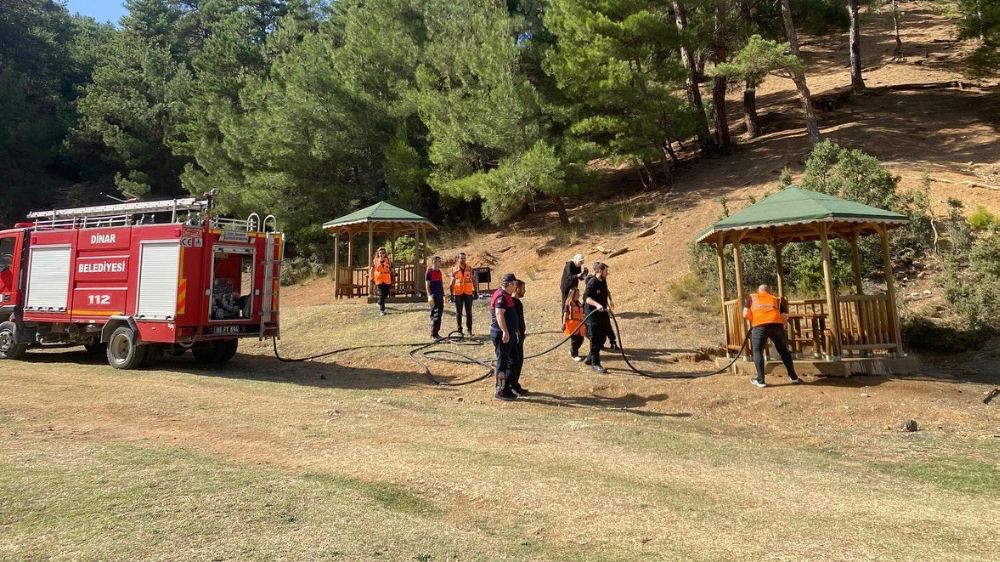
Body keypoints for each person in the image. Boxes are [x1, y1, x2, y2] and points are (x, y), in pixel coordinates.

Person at [742, 284, 803, 388]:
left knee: (757, 351)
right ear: (769, 291)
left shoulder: (752, 297)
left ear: (758, 291)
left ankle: (761, 381)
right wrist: (781, 326)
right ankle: (794, 377)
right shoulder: (775, 299)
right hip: (776, 325)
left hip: (759, 326)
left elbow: (745, 314)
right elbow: (784, 316)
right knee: (784, 351)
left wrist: (754, 320)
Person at [489, 273, 520, 401]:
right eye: (515, 284)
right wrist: (505, 331)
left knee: (513, 359)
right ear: (510, 284)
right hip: (502, 334)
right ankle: (500, 390)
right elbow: (499, 314)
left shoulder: (507, 296)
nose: (516, 287)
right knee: (502, 362)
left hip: (509, 333)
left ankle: (507, 387)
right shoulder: (501, 296)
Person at [583, 262, 612, 373]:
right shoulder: (592, 282)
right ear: (599, 271)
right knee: (595, 339)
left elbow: (604, 296)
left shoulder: (603, 281)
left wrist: (608, 306)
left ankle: (590, 357)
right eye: (605, 271)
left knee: (603, 337)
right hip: (592, 314)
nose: (607, 273)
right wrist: (597, 305)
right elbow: (586, 298)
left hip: (602, 312)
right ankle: (595, 363)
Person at [508, 280, 528, 396]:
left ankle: (515, 384)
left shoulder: (517, 302)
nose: (525, 290)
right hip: (515, 337)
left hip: (520, 336)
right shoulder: (513, 302)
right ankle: (511, 385)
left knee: (519, 360)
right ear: (517, 289)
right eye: (523, 288)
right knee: (514, 361)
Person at [450, 252, 477, 336]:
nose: (463, 259)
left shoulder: (470, 268)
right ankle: (459, 331)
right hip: (458, 293)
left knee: (469, 312)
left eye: (464, 258)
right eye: (461, 258)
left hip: (468, 293)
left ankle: (469, 330)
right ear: (458, 259)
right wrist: (451, 295)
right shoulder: (454, 269)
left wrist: (475, 291)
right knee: (459, 313)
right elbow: (452, 283)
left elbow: (473, 280)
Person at [562, 287, 587, 362]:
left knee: (581, 339)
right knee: (574, 340)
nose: (578, 295)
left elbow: (582, 314)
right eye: (577, 294)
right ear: (572, 295)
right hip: (572, 326)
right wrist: (563, 324)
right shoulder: (568, 304)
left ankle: (572, 350)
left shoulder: (579, 304)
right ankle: (574, 354)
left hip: (580, 325)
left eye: (578, 294)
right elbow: (565, 314)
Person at [425, 256, 445, 339]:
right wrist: (429, 296)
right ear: (433, 262)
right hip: (433, 297)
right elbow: (427, 285)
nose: (438, 263)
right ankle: (433, 334)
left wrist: (443, 295)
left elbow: (441, 284)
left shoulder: (439, 272)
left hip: (440, 296)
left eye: (440, 261)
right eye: (437, 261)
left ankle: (437, 333)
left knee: (439, 315)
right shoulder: (429, 272)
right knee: (435, 315)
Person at [370, 247, 393, 316]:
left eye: (383, 253)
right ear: (378, 253)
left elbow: (391, 268)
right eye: (380, 253)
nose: (382, 254)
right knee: (381, 294)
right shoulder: (375, 260)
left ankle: (379, 302)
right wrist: (371, 278)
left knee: (387, 293)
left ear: (385, 254)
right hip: (379, 278)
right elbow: (372, 269)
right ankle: (382, 310)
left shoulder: (388, 260)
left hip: (387, 278)